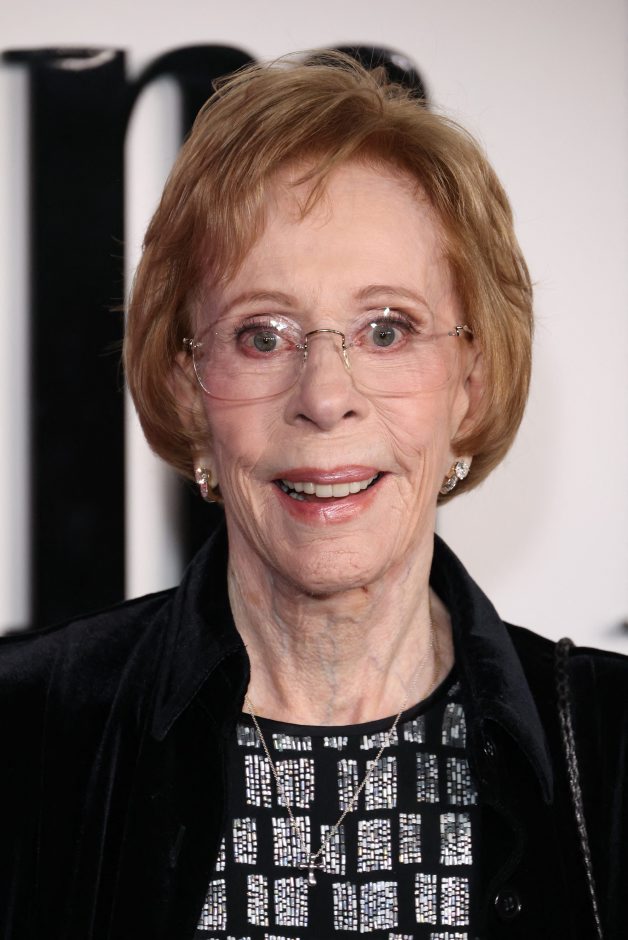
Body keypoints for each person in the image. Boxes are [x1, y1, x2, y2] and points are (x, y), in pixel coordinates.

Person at [1, 52, 626, 940]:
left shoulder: (613, 746)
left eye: (387, 330)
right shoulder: (25, 734)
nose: (326, 396)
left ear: (471, 382)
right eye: (263, 335)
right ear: (188, 387)